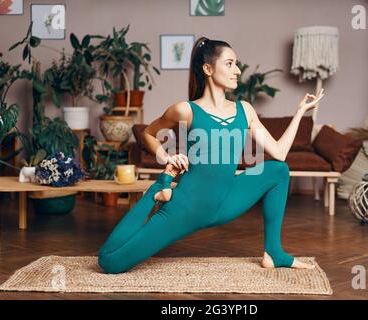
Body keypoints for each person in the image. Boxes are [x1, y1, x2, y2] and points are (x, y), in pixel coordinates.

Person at [98, 37, 324, 274]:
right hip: (186, 208)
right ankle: (159, 191)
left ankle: (274, 252)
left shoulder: (244, 110)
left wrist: (299, 113)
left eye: (236, 64)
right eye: (229, 63)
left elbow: (279, 152)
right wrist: (165, 158)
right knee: (110, 263)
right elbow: (148, 134)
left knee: (278, 170)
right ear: (208, 69)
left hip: (225, 202)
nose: (237, 70)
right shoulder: (185, 110)